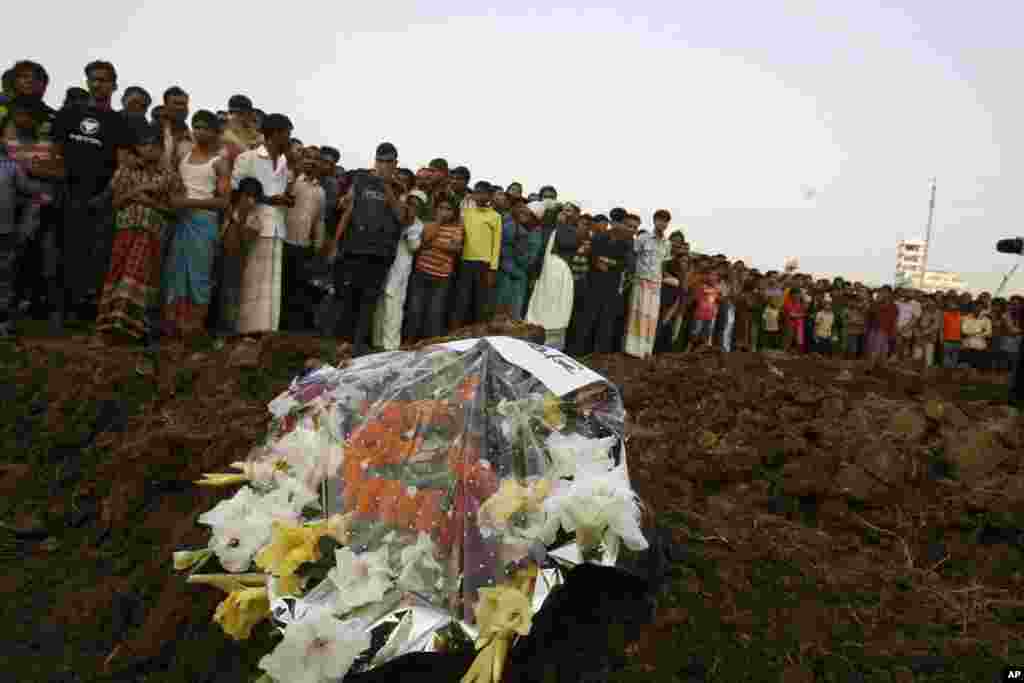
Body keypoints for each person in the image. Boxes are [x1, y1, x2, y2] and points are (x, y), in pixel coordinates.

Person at [50, 60, 130, 331]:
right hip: (66, 193)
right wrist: (62, 187)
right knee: (62, 251)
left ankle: (85, 311)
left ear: (114, 85)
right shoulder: (69, 113)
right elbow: (56, 154)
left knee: (94, 256)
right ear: (87, 83)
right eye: (94, 79)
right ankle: (59, 310)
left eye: (104, 80)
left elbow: (121, 165)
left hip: (101, 198)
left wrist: (106, 196)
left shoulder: (119, 121)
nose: (99, 84)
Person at [95, 121, 186, 344]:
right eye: (143, 145)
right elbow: (116, 203)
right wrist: (138, 192)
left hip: (152, 235)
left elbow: (174, 211)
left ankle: (133, 333)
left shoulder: (171, 176)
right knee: (116, 277)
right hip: (125, 231)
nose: (147, 149)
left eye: (152, 145)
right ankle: (104, 331)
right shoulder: (125, 171)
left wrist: (148, 202)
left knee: (142, 282)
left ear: (161, 149)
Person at [326, 142, 410, 356]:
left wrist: (387, 186)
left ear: (395, 164)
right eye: (380, 161)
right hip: (355, 247)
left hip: (381, 253)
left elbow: (401, 216)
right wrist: (336, 243)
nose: (384, 165)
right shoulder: (361, 180)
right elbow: (348, 210)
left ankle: (358, 347)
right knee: (348, 297)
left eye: (388, 162)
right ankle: (342, 343)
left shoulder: (401, 188)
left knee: (369, 301)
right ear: (375, 161)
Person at [161, 110, 230, 342]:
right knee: (176, 273)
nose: (199, 131)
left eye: (204, 127)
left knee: (199, 276)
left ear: (215, 132)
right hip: (180, 219)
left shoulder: (219, 162)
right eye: (196, 126)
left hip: (203, 221)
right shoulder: (183, 158)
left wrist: (187, 202)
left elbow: (224, 202)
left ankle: (194, 329)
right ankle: (173, 327)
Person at [232, 113, 294, 335]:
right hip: (254, 225)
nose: (289, 138)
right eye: (287, 133)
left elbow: (281, 192)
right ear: (276, 134)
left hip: (277, 226)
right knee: (252, 282)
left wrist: (284, 199)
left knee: (271, 286)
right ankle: (246, 331)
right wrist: (269, 199)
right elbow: (237, 192)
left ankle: (267, 331)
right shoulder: (248, 158)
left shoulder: (285, 163)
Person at [0, 142, 49, 337]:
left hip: (5, 228)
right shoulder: (11, 167)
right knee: (4, 274)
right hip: (5, 228)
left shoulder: (11, 167)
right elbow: (32, 190)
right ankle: (3, 321)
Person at [571, 209, 632, 355]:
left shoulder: (627, 242)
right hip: (593, 284)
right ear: (612, 222)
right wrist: (597, 262)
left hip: (612, 286)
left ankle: (599, 355)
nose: (619, 226)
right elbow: (590, 256)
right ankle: (579, 352)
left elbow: (625, 264)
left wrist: (608, 261)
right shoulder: (599, 237)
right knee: (587, 319)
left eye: (622, 223)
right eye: (617, 222)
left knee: (606, 322)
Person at [403, 193, 463, 341]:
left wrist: (433, 244)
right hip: (422, 272)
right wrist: (438, 223)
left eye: (448, 209)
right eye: (441, 208)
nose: (444, 211)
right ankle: (409, 341)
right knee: (415, 309)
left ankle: (430, 344)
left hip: (442, 276)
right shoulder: (428, 224)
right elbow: (424, 241)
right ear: (435, 209)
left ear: (454, 212)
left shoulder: (457, 228)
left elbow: (455, 249)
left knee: (434, 312)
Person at [281, 146, 326, 332]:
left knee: (298, 290)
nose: (311, 161)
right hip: (284, 241)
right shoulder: (290, 181)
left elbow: (319, 221)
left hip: (304, 246)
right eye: (308, 156)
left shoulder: (320, 191)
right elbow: (282, 201)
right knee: (281, 287)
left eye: (315, 159)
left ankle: (292, 330)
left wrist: (318, 244)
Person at [372, 192, 424, 351]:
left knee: (394, 307)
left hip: (400, 271)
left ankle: (391, 346)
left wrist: (408, 229)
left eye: (416, 205)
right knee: (380, 306)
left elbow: (414, 247)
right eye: (410, 203)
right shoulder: (392, 218)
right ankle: (377, 342)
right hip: (383, 266)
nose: (411, 207)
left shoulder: (417, 225)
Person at [451, 180, 501, 330]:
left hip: (484, 264)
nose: (479, 196)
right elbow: (459, 235)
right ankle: (456, 333)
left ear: (490, 196)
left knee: (480, 302)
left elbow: (496, 244)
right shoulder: (466, 213)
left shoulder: (495, 216)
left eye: (483, 193)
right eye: (477, 192)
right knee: (461, 300)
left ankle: (477, 334)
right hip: (465, 261)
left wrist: (493, 268)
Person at [624, 209, 671, 358]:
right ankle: (631, 349)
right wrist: (632, 275)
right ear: (654, 220)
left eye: (665, 221)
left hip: (656, 284)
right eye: (659, 220)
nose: (662, 223)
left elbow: (663, 265)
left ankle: (645, 350)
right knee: (637, 314)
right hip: (641, 281)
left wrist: (666, 278)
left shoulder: (667, 244)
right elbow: (632, 255)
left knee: (651, 317)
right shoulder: (643, 238)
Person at [495, 202, 542, 319]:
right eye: (522, 211)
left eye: (527, 213)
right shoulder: (514, 227)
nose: (524, 215)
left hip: (510, 272)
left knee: (506, 312)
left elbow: (527, 259)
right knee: (508, 312)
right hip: (512, 274)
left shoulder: (531, 233)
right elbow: (523, 259)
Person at [688, 270, 721, 351]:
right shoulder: (700, 286)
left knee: (708, 333)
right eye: (710, 275)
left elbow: (718, 299)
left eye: (714, 276)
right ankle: (688, 349)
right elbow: (695, 297)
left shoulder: (717, 288)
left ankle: (702, 350)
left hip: (711, 314)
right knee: (695, 332)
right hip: (700, 313)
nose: (712, 277)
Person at [941, 294, 963, 369]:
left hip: (957, 341)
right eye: (952, 304)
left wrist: (961, 340)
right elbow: (942, 328)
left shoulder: (961, 316)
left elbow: (961, 329)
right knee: (946, 361)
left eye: (955, 304)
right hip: (947, 340)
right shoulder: (945, 315)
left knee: (955, 361)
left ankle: (952, 375)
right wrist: (942, 339)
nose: (953, 306)